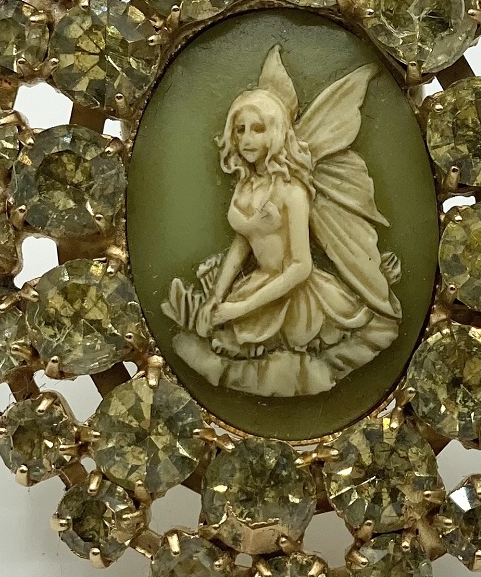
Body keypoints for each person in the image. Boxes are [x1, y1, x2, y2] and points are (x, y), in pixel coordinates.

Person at [163, 48, 401, 398]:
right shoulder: (245, 187)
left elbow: (301, 266)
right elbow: (241, 245)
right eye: (240, 130)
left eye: (258, 129)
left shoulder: (292, 191)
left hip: (296, 296)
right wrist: (217, 296)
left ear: (276, 132)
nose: (247, 139)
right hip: (259, 283)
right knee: (218, 343)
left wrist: (241, 307)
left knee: (278, 357)